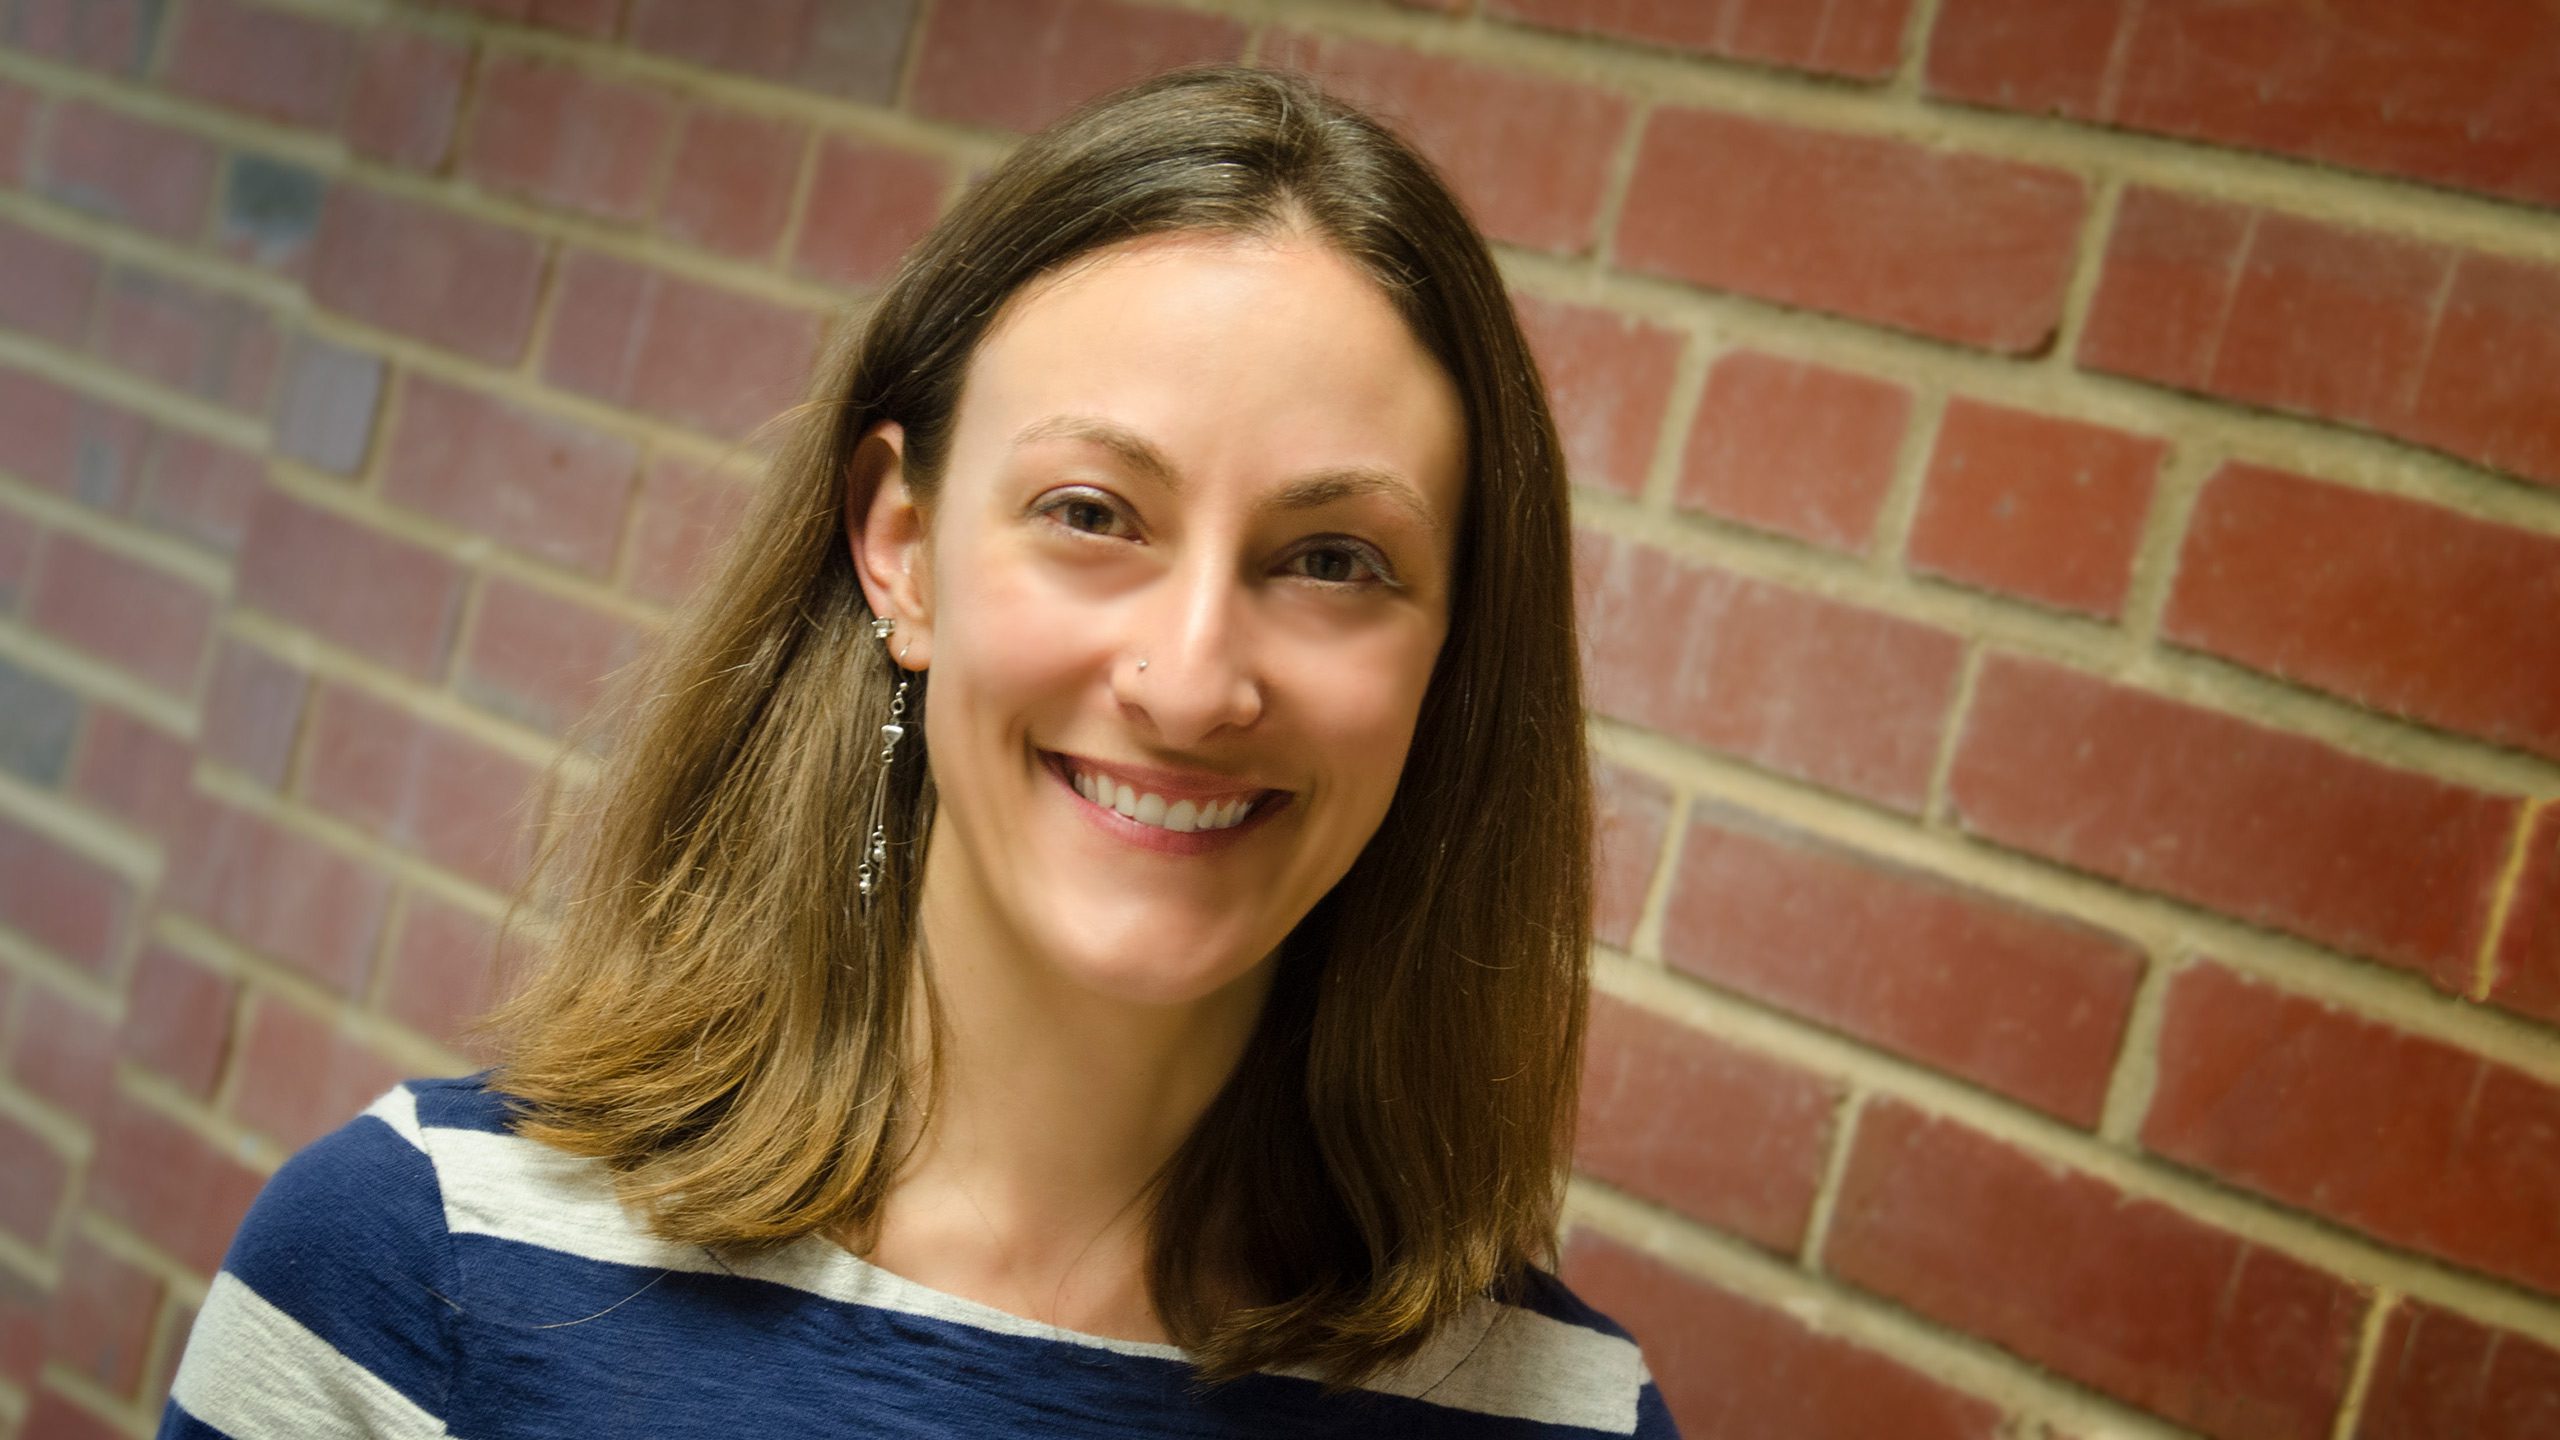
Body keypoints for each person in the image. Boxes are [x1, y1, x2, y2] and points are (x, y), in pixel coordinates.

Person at [157, 63, 1678, 1438]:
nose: (1194, 678)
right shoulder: (411, 1277)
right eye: (1092, 515)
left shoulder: (1570, 1420)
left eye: (1334, 559)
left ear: (1449, 654)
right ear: (903, 548)